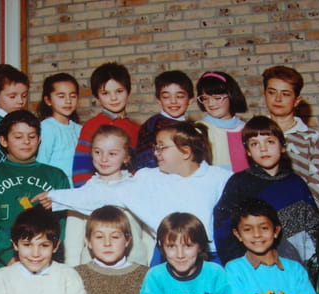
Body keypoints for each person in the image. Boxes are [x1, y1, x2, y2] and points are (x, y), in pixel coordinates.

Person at [38, 121, 231, 260]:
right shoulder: (148, 178)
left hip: (208, 255)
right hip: (165, 256)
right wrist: (56, 196)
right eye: (155, 147)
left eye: (162, 148)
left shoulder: (220, 178)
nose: (155, 153)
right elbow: (104, 194)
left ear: (185, 152)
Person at [213, 115, 319, 266]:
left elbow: (313, 230)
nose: (263, 148)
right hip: (252, 266)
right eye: (254, 144)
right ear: (248, 151)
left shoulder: (296, 183)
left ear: (282, 146)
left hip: (294, 266)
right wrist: (238, 265)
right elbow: (224, 229)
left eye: (270, 142)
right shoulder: (239, 183)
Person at [0, 110, 70, 277]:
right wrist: (7, 256)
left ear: (39, 139)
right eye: (18, 137)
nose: (26, 142)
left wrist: (51, 254)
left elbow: (64, 223)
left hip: (45, 261)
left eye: (32, 136)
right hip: (4, 263)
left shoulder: (56, 176)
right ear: (3, 141)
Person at [60, 125, 154, 267]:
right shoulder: (84, 192)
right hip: (92, 268)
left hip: (134, 265)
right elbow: (73, 240)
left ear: (126, 157)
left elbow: (148, 234)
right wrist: (73, 270)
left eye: (112, 154)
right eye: (98, 152)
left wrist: (151, 268)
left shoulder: (136, 188)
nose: (104, 159)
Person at [262, 65, 319, 209]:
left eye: (286, 94)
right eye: (272, 92)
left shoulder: (312, 138)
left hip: (300, 215)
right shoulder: (254, 133)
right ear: (264, 95)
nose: (278, 99)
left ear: (297, 100)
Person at [71, 62, 140, 187]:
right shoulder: (92, 126)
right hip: (98, 193)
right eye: (105, 93)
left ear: (128, 91)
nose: (113, 98)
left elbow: (138, 168)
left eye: (119, 91)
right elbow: (80, 169)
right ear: (97, 97)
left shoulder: (137, 128)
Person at [133, 70, 194, 170]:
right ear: (159, 100)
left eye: (179, 96)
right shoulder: (153, 126)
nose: (173, 101)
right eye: (166, 97)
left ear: (190, 100)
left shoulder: (192, 127)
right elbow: (145, 161)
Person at [195, 71, 249, 173]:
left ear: (231, 96)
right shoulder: (199, 130)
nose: (211, 103)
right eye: (205, 98)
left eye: (217, 98)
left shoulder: (246, 128)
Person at [35, 72, 82, 185]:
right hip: (56, 188)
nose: (68, 101)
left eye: (73, 96)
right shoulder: (46, 127)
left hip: (78, 188)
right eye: (61, 96)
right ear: (48, 100)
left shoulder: (80, 129)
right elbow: (41, 164)